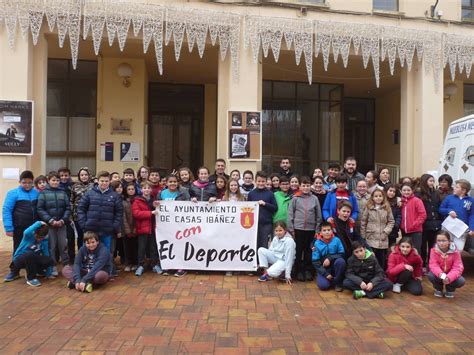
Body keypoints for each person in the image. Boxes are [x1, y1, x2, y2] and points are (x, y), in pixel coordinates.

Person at [3, 170, 39, 281]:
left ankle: (32, 271)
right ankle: (14, 271)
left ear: (33, 182)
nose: (27, 185)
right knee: (18, 249)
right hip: (19, 228)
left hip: (33, 228)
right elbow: (6, 210)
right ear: (20, 182)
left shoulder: (37, 193)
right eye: (24, 182)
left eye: (29, 182)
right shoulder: (13, 193)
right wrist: (8, 228)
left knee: (33, 250)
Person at [77, 171, 123, 253]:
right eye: (102, 181)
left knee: (105, 253)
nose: (104, 183)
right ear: (97, 181)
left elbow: (119, 213)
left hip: (107, 231)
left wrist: (113, 226)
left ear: (110, 181)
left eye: (106, 181)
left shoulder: (115, 196)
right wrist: (84, 224)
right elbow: (81, 209)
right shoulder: (89, 194)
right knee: (88, 253)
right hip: (90, 230)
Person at [287, 176, 322, 282]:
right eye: (303, 185)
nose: (306, 188)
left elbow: (318, 216)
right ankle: (298, 270)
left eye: (307, 185)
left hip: (311, 230)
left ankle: (307, 270)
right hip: (298, 229)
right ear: (300, 186)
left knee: (308, 250)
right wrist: (291, 229)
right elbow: (290, 214)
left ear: (310, 186)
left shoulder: (314, 198)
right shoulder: (295, 198)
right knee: (298, 250)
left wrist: (317, 229)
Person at [37, 171, 71, 276]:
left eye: (57, 180)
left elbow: (68, 208)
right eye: (53, 180)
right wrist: (50, 220)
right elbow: (40, 209)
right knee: (51, 247)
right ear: (49, 181)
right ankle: (52, 267)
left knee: (63, 246)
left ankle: (66, 265)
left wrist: (62, 220)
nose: (55, 182)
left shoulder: (63, 193)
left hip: (61, 224)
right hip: (49, 226)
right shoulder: (43, 194)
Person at [158, 175, 190, 277]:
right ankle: (168, 266)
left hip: (180, 224)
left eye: (174, 182)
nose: (172, 183)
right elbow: (158, 206)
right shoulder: (161, 193)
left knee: (180, 244)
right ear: (166, 183)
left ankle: (181, 267)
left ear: (178, 183)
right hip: (166, 225)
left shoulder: (182, 193)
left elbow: (189, 207)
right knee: (167, 244)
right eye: (170, 182)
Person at [360, 189, 395, 270]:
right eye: (376, 196)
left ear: (383, 197)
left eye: (380, 196)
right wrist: (363, 236)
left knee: (381, 259)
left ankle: (381, 276)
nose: (378, 198)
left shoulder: (387, 208)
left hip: (382, 238)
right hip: (370, 237)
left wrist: (386, 232)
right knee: (370, 259)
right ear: (372, 198)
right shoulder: (369, 208)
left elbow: (391, 221)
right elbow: (363, 222)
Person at [12, 221, 54, 287]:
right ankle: (31, 278)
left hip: (32, 259)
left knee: (49, 260)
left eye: (41, 237)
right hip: (19, 259)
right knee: (30, 254)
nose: (39, 239)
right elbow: (26, 232)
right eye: (37, 236)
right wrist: (39, 223)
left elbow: (46, 254)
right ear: (34, 233)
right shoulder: (28, 236)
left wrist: (48, 273)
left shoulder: (44, 241)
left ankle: (38, 271)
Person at [132, 181, 161, 276]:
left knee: (153, 247)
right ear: (141, 189)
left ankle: (154, 264)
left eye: (148, 188)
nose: (146, 190)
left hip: (153, 228)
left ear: (151, 189)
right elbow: (136, 213)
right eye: (144, 188)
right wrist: (150, 213)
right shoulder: (137, 200)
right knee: (142, 248)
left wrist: (157, 205)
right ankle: (140, 265)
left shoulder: (154, 200)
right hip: (142, 229)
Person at [439, 179, 474, 253]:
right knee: (445, 247)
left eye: (457, 187)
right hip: (448, 227)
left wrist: (472, 228)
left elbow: (472, 215)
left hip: (461, 229)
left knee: (458, 249)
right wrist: (449, 211)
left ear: (464, 190)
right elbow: (441, 209)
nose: (454, 188)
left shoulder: (471, 201)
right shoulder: (449, 198)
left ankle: (455, 263)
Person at [427, 231, 465, 298]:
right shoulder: (433, 251)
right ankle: (438, 288)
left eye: (444, 240)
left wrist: (449, 277)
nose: (441, 243)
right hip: (440, 274)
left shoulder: (456, 252)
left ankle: (450, 289)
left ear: (449, 241)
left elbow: (458, 268)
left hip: (450, 275)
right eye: (439, 240)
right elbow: (433, 265)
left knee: (461, 281)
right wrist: (442, 275)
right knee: (431, 275)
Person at [416, 174, 442, 269]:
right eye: (430, 181)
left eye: (433, 181)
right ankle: (422, 265)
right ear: (425, 181)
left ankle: (431, 265)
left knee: (433, 247)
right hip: (424, 225)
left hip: (435, 225)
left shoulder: (436, 193)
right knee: (423, 246)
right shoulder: (418, 194)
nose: (432, 183)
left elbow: (438, 207)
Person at [248, 171, 277, 252]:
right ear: (255, 181)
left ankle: (263, 263)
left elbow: (275, 208)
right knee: (254, 243)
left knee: (264, 245)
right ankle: (255, 262)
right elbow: (248, 208)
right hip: (254, 224)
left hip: (266, 224)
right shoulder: (251, 194)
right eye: (259, 181)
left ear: (266, 181)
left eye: (263, 181)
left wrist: (265, 204)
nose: (261, 183)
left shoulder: (270, 194)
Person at [312, 221, 346, 291]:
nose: (327, 232)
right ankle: (329, 279)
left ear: (332, 231)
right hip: (324, 268)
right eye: (324, 230)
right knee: (323, 286)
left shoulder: (337, 240)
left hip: (335, 266)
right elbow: (315, 261)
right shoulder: (317, 243)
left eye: (329, 230)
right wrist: (325, 274)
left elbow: (342, 254)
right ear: (320, 233)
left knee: (341, 261)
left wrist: (329, 258)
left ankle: (337, 282)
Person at [71, 167, 94, 249]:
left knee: (90, 236)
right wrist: (71, 216)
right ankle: (81, 255)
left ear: (89, 175)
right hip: (77, 216)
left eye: (85, 175)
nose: (84, 176)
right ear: (79, 176)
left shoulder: (94, 186)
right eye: (82, 175)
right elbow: (71, 201)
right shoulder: (74, 186)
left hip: (90, 215)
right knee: (80, 236)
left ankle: (90, 256)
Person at [400, 183, 427, 253]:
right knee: (405, 252)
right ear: (401, 191)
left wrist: (414, 225)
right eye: (404, 190)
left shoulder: (417, 201)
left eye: (408, 190)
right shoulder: (400, 202)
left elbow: (423, 215)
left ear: (412, 190)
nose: (406, 192)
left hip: (415, 231)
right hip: (405, 231)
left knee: (415, 251)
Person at [121, 182, 137, 272]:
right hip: (126, 227)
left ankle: (135, 263)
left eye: (132, 189)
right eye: (129, 189)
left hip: (135, 227)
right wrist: (127, 229)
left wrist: (135, 228)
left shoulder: (137, 199)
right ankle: (128, 263)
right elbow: (123, 216)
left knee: (135, 246)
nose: (131, 191)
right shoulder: (123, 201)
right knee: (127, 247)